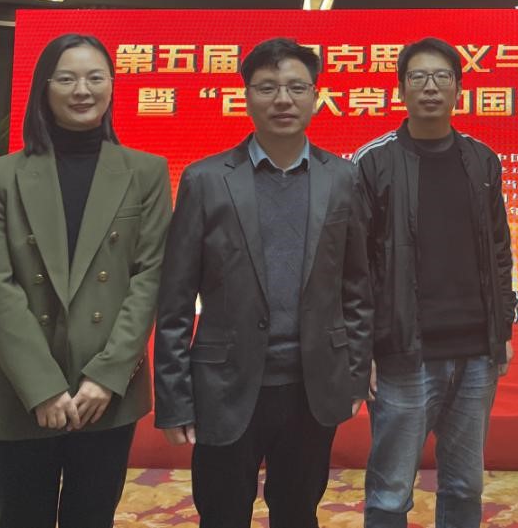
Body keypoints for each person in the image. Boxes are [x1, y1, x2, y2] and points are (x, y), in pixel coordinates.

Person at [153, 37, 372, 528]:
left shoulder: (342, 178)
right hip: (224, 385)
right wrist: (173, 398)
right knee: (222, 514)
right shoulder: (205, 179)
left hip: (310, 387)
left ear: (315, 96)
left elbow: (357, 287)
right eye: (267, 87)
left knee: (297, 512)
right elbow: (175, 301)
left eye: (296, 87)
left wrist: (354, 374)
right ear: (246, 96)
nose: (283, 99)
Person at [0, 33, 172, 528]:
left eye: (95, 78)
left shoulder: (146, 172)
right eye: (67, 79)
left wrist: (107, 376)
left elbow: (148, 278)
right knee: (21, 514)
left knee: (92, 515)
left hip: (104, 390)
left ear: (112, 85)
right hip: (20, 384)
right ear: (44, 88)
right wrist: (42, 388)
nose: (82, 90)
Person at [353, 36, 518, 528]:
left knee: (465, 487)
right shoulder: (372, 162)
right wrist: (362, 350)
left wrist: (502, 329)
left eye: (442, 77)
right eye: (419, 77)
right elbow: (353, 266)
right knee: (390, 492)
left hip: (476, 353)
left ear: (458, 90)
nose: (430, 87)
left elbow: (499, 250)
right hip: (403, 352)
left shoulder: (482, 160)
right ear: (401, 90)